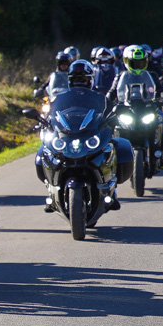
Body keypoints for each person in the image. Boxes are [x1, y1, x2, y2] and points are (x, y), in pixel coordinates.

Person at [39, 60, 127, 212]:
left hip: (90, 134)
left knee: (116, 147)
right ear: (70, 81)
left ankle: (112, 190)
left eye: (84, 79)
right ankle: (51, 191)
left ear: (90, 80)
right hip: (68, 135)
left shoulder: (100, 97)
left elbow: (110, 112)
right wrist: (44, 120)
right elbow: (50, 114)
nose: (80, 82)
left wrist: (115, 117)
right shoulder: (60, 98)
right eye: (76, 79)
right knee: (42, 152)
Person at [108, 45, 163, 169]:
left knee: (162, 119)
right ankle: (113, 158)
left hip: (147, 108)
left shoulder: (152, 75)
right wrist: (109, 102)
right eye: (134, 62)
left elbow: (162, 90)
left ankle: (159, 153)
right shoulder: (121, 76)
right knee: (111, 125)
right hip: (128, 109)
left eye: (141, 62)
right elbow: (111, 93)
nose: (138, 65)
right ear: (127, 62)